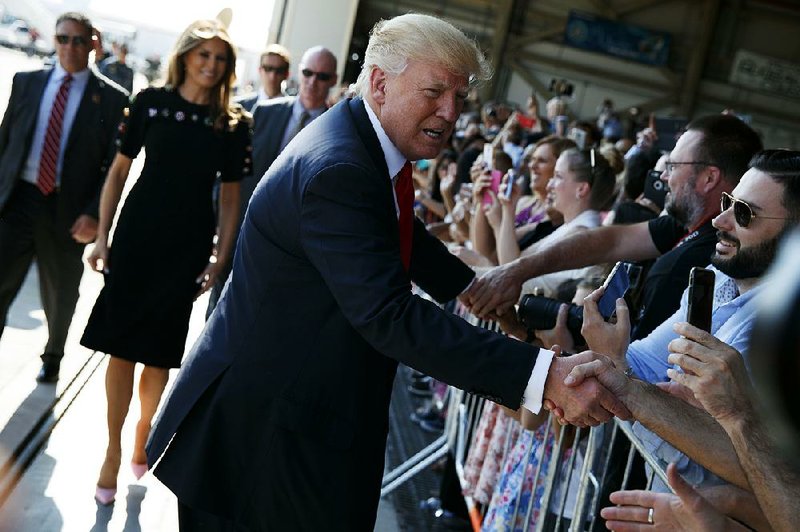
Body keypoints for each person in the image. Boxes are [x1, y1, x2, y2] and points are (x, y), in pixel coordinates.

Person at [146, 13, 630, 530]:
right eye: (434, 92)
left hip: (283, 428)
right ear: (379, 82)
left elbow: (403, 236)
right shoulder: (342, 169)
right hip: (260, 449)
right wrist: (542, 376)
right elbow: (389, 315)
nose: (450, 113)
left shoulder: (359, 143)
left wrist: (477, 291)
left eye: (460, 97)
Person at [79, 18, 251, 505]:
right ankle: (112, 449)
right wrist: (103, 237)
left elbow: (232, 198)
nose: (211, 66)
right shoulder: (150, 102)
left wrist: (221, 256)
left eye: (220, 59)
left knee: (158, 353)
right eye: (204, 55)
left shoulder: (233, 122)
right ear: (186, 55)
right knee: (121, 347)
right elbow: (117, 173)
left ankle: (145, 430)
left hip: (188, 244)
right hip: (137, 238)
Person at [557, 150, 800, 492]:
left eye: (744, 214)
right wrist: (599, 357)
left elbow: (714, 468)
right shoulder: (717, 277)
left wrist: (616, 370)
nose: (720, 220)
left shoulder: (780, 331)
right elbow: (643, 362)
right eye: (728, 202)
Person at [467, 114, 763, 341]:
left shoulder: (712, 255)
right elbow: (611, 241)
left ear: (709, 178)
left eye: (673, 166)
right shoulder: (683, 224)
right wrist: (520, 270)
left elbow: (640, 361)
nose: (665, 178)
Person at [0, 12, 128, 383]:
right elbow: (6, 140)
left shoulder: (110, 98)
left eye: (78, 40)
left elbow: (111, 169)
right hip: (18, 202)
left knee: (60, 293)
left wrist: (94, 215)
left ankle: (53, 356)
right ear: (53, 41)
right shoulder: (27, 82)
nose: (69, 47)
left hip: (67, 211)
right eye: (62, 39)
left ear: (92, 44)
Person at [206, 45, 338, 314]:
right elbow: (227, 177)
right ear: (298, 74)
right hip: (238, 234)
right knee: (217, 315)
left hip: (290, 253)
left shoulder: (338, 130)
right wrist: (217, 224)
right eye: (308, 73)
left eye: (322, 76)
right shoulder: (263, 112)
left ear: (333, 80)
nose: (313, 81)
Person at [237, 43, 290, 111]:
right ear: (260, 70)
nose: (272, 75)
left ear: (287, 74)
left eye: (279, 70)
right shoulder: (240, 106)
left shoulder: (292, 112)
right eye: (268, 68)